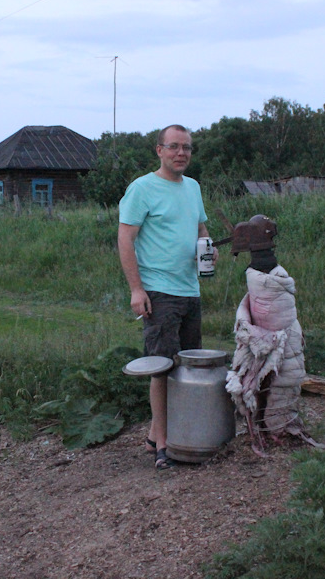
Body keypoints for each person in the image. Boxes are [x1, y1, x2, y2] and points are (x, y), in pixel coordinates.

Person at [117, 124, 217, 470]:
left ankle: (158, 434)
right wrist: (136, 289)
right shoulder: (142, 188)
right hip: (159, 292)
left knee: (187, 366)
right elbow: (125, 239)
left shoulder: (193, 188)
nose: (181, 153)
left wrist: (208, 249)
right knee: (161, 367)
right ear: (159, 150)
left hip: (190, 289)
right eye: (174, 147)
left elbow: (201, 230)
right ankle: (164, 446)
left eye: (187, 147)